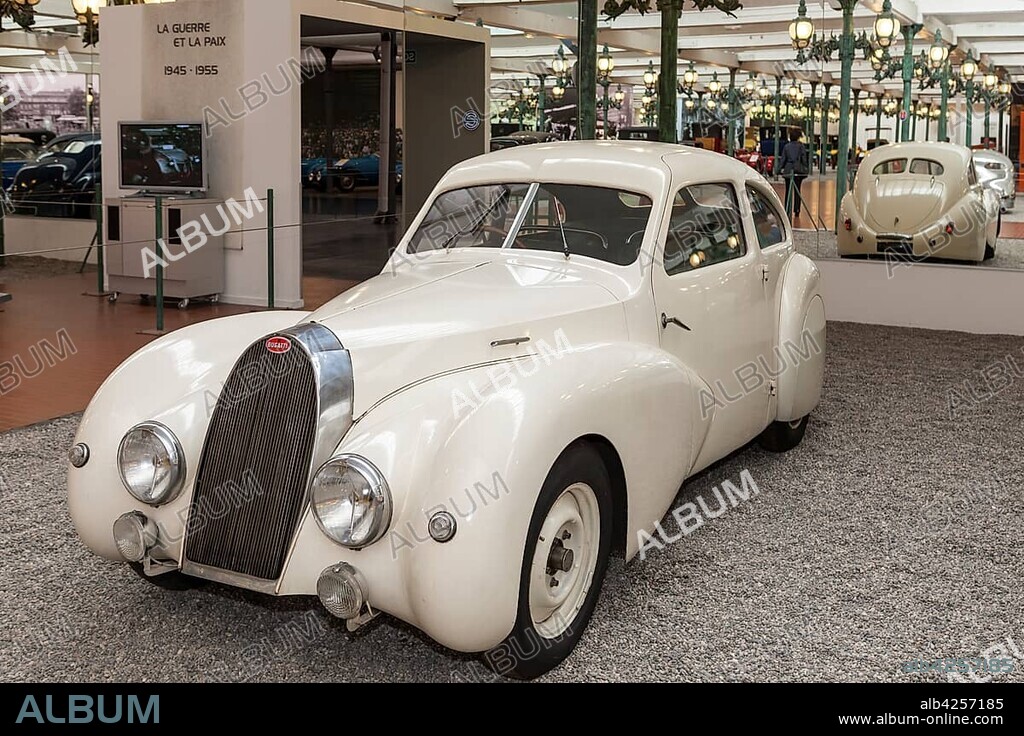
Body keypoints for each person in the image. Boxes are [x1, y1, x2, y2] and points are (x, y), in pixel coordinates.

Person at [777, 129, 809, 218]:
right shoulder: (801, 146)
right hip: (798, 169)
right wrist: (805, 169)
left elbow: (783, 159)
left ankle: (787, 208)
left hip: (788, 169)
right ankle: (797, 209)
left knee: (788, 190)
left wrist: (778, 170)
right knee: (797, 190)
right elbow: (804, 159)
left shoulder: (786, 147)